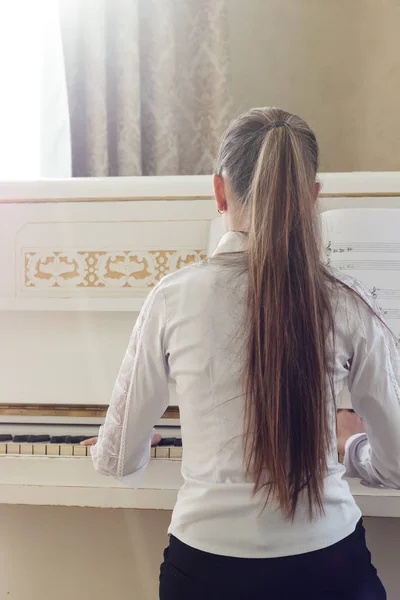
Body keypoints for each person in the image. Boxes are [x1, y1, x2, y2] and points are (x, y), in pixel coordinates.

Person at [84, 108, 400, 599]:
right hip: (329, 569)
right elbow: (397, 464)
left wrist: (125, 443)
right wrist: (349, 446)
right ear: (311, 197)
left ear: (218, 191)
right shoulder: (348, 304)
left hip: (206, 572)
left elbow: (118, 458)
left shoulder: (171, 298)